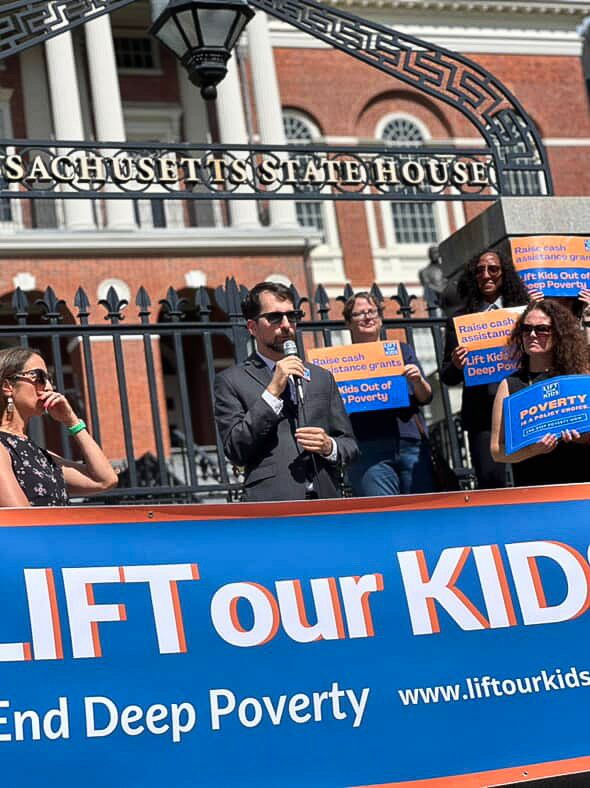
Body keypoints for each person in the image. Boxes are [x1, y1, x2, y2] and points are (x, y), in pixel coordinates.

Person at [214, 281, 358, 502]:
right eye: (274, 317)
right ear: (252, 327)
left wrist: (329, 447)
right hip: (274, 502)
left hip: (327, 499)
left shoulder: (322, 377)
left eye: (292, 316)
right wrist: (273, 391)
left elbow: (350, 445)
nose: (286, 324)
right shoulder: (231, 381)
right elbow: (236, 449)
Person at [441, 248, 532, 489]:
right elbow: (447, 376)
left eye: (493, 269)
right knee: (492, 483)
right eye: (480, 270)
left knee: (531, 481)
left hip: (524, 404)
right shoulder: (460, 321)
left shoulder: (524, 313)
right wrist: (457, 365)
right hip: (481, 414)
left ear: (505, 274)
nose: (486, 275)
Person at [0, 347, 118, 506]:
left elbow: (105, 480)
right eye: (40, 377)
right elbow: (23, 521)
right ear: (8, 387)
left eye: (50, 379)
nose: (49, 387)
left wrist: (72, 421)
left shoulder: (38, 454)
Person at [343, 292, 435, 497]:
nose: (367, 317)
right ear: (348, 323)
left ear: (380, 319)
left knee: (421, 513)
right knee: (383, 518)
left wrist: (418, 380)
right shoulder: (342, 362)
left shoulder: (401, 351)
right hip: (368, 449)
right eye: (359, 314)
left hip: (409, 443)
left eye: (371, 312)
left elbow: (425, 397)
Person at [490, 299, 590, 486]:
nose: (533, 335)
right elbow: (497, 450)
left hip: (581, 485)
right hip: (534, 491)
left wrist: (583, 439)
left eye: (542, 329)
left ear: (559, 334)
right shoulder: (509, 385)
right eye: (526, 329)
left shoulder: (579, 378)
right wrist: (533, 450)